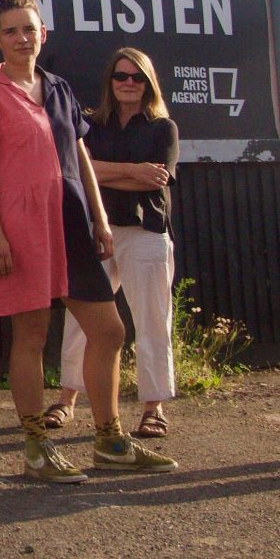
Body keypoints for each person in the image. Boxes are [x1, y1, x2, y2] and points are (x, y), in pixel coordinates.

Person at [0, 0, 172, 481]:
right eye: (10, 32)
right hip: (19, 230)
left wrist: (99, 218)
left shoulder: (57, 88)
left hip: (73, 226)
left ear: (42, 33)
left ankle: (110, 441)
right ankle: (36, 447)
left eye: (28, 30)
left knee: (109, 330)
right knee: (31, 335)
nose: (21, 39)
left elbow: (79, 157)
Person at [56, 46, 180, 442]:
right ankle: (66, 400)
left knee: (151, 321)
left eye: (137, 77)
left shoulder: (163, 128)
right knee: (81, 321)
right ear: (110, 81)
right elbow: (79, 169)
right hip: (98, 231)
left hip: (146, 234)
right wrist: (132, 171)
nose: (129, 83)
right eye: (121, 76)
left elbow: (157, 179)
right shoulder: (92, 125)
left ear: (148, 82)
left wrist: (109, 174)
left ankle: (153, 408)